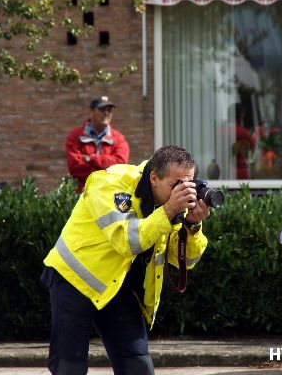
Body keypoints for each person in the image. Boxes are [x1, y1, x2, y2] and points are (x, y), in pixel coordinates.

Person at [41, 145, 211, 375]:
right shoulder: (112, 183)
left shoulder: (172, 206)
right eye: (176, 185)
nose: (183, 192)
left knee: (137, 367)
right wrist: (169, 211)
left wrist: (192, 225)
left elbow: (185, 260)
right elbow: (126, 241)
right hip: (75, 281)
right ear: (154, 178)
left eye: (188, 184)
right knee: (69, 368)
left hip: (118, 286)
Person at [65, 96, 130, 192]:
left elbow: (120, 165)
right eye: (102, 109)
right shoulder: (75, 137)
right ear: (91, 112)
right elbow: (75, 169)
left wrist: (90, 158)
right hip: (84, 195)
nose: (106, 113)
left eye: (109, 110)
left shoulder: (118, 138)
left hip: (110, 195)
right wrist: (106, 170)